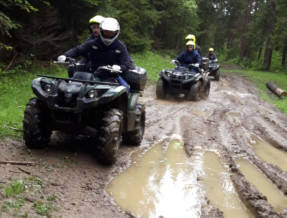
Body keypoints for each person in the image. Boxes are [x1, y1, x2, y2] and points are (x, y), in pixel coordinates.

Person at [57, 17, 130, 92]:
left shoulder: (120, 46)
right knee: (71, 84)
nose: (108, 34)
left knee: (125, 89)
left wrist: (119, 68)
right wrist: (65, 55)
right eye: (106, 32)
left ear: (115, 32)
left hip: (112, 76)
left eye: (110, 32)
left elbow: (126, 64)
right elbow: (78, 49)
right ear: (102, 31)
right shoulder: (94, 43)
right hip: (92, 74)